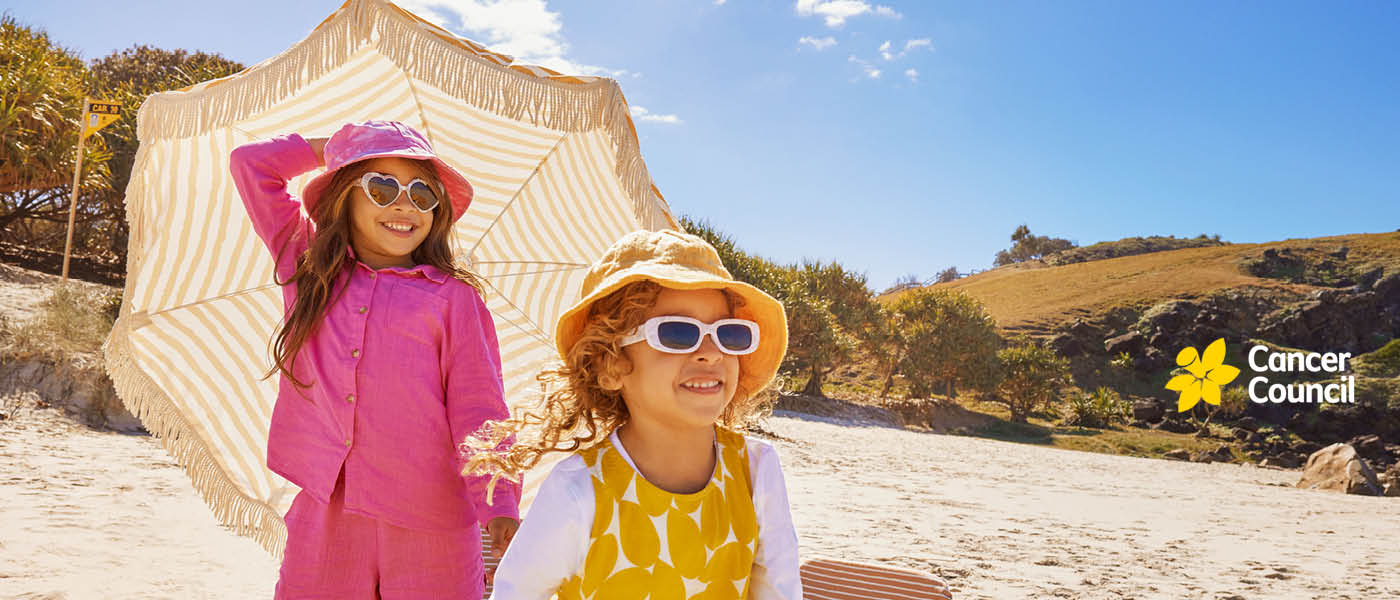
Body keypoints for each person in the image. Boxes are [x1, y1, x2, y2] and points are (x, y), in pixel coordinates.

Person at [230, 120, 520, 598]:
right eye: (381, 187)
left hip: (434, 521)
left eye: (422, 193)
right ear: (344, 196)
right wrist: (344, 148)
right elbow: (251, 164)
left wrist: (500, 502)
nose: (404, 204)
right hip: (327, 512)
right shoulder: (307, 266)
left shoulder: (453, 299)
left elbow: (480, 410)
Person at [466, 229, 803, 599]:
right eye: (677, 333)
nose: (712, 352)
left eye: (731, 334)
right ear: (611, 366)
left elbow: (778, 591)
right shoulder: (579, 489)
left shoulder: (756, 471)